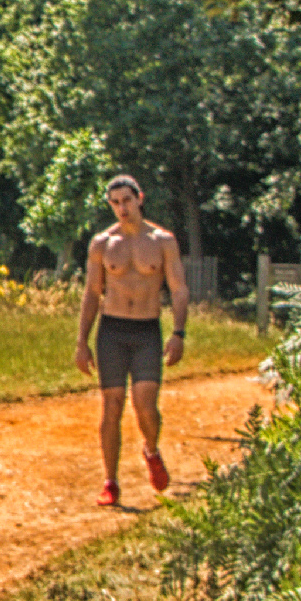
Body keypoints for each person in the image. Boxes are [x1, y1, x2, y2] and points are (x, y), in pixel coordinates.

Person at [74, 174, 187, 506]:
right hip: (112, 330)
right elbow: (92, 294)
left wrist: (178, 333)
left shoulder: (163, 241)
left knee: (145, 406)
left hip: (146, 331)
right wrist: (82, 341)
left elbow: (178, 289)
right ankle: (111, 481)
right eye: (115, 203)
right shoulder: (103, 243)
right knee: (112, 407)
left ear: (140, 198)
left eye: (126, 200)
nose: (121, 208)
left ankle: (151, 451)